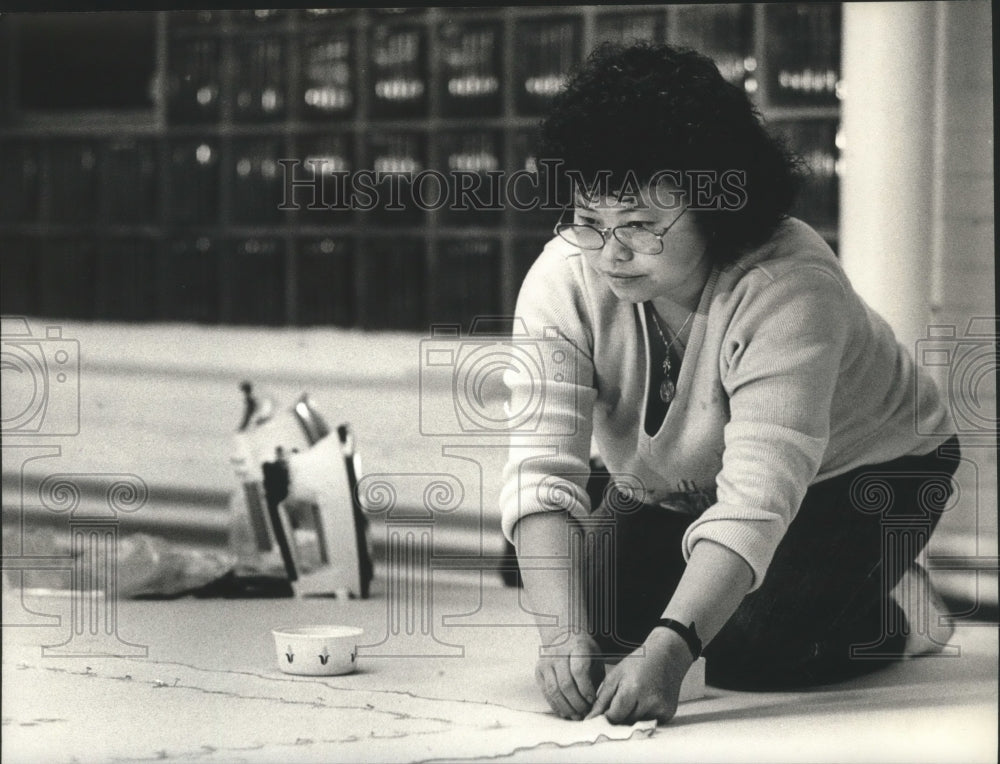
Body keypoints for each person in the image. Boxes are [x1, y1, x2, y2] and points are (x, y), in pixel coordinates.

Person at [498, 42, 960, 726]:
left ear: (715, 207)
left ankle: (895, 614)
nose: (609, 254)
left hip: (874, 468)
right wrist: (561, 635)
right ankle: (817, 592)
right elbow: (539, 470)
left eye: (641, 227)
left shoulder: (789, 283)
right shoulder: (563, 277)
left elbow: (757, 499)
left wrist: (674, 649)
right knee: (598, 619)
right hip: (689, 478)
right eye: (591, 222)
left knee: (749, 652)